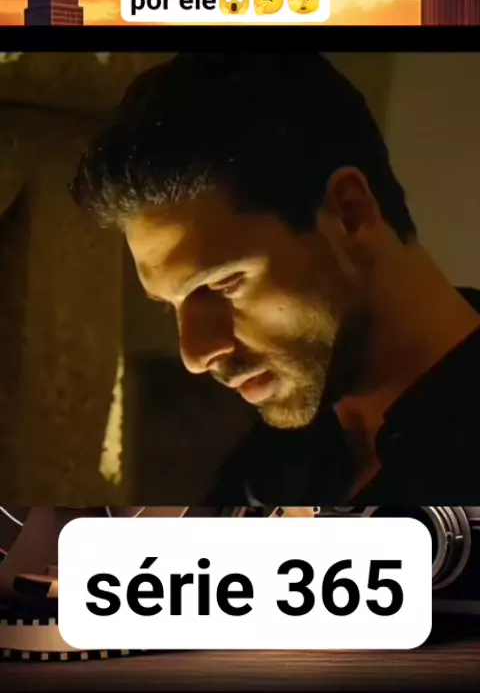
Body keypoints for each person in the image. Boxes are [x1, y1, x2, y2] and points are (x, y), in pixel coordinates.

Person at [71, 53, 480, 506]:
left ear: (350, 214)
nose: (195, 355)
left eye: (223, 284)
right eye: (172, 306)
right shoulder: (274, 461)